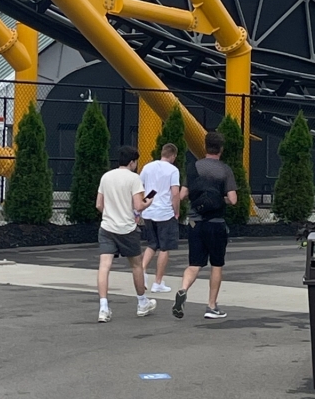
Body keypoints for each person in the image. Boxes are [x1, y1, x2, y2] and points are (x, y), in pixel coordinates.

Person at [172, 130, 237, 320]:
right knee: (216, 265)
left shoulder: (194, 168)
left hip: (195, 222)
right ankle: (211, 306)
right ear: (221, 149)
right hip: (216, 223)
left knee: (194, 264)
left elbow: (182, 195)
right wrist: (219, 199)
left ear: (205, 146)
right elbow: (233, 199)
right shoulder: (225, 170)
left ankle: (183, 289)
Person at [96, 145, 157, 323]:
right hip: (127, 229)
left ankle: (103, 307)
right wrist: (149, 201)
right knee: (136, 266)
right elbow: (138, 206)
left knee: (104, 266)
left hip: (107, 227)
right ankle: (141, 302)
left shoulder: (106, 177)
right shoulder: (134, 179)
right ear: (132, 162)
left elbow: (99, 204)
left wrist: (110, 213)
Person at [139, 143, 181, 293]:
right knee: (165, 247)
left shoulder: (148, 167)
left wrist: (140, 207)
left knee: (152, 244)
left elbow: (141, 186)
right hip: (165, 212)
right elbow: (175, 193)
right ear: (173, 155)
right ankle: (158, 282)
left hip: (149, 210)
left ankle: (142, 272)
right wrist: (176, 211)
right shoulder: (173, 170)